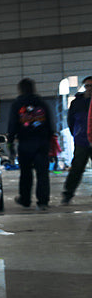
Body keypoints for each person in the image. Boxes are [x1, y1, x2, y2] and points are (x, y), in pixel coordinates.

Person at [7, 77, 55, 210]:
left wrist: (10, 142)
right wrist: (49, 140)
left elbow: (13, 124)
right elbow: (50, 124)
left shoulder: (17, 104)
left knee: (26, 173)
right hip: (42, 143)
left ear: (20, 89)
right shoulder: (42, 103)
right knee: (42, 174)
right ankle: (43, 201)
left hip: (25, 144)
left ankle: (25, 200)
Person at [62, 75, 92, 204]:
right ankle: (68, 194)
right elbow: (71, 121)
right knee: (77, 168)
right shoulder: (77, 103)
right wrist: (76, 134)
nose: (89, 89)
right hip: (82, 141)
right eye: (87, 86)